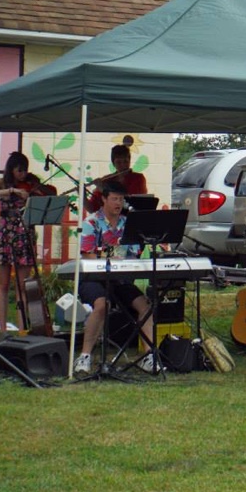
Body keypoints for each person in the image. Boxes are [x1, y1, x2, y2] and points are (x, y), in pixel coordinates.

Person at [73, 181, 155, 374]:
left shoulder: (128, 224)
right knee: (102, 305)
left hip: (120, 279)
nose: (119, 203)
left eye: (121, 199)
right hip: (94, 278)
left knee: (145, 305)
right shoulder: (91, 222)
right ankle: (84, 356)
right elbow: (88, 254)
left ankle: (148, 355)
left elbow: (134, 253)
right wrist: (110, 255)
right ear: (104, 199)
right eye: (115, 199)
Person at [0, 152, 44, 336]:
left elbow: (42, 199)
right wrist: (11, 191)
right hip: (5, 235)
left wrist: (33, 196)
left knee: (22, 285)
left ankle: (22, 329)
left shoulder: (31, 184)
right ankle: (3, 329)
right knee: (2, 284)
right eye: (19, 170)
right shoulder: (2, 182)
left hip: (24, 234)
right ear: (11, 169)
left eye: (25, 170)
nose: (23, 175)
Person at [84, 144, 148, 213]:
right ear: (113, 163)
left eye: (125, 161)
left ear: (129, 160)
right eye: (118, 162)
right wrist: (83, 195)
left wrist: (104, 191)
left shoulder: (138, 178)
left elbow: (131, 203)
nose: (123, 165)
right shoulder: (106, 180)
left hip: (131, 220)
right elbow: (92, 209)